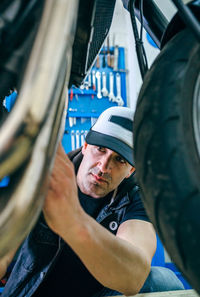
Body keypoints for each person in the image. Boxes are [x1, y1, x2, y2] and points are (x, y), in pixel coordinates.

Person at [1, 106, 183, 297]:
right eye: (100, 149)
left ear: (131, 170)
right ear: (86, 146)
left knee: (165, 280)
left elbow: (134, 277)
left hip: (95, 293)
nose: (104, 166)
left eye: (119, 159)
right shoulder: (46, 179)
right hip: (33, 292)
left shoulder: (136, 197)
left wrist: (74, 222)